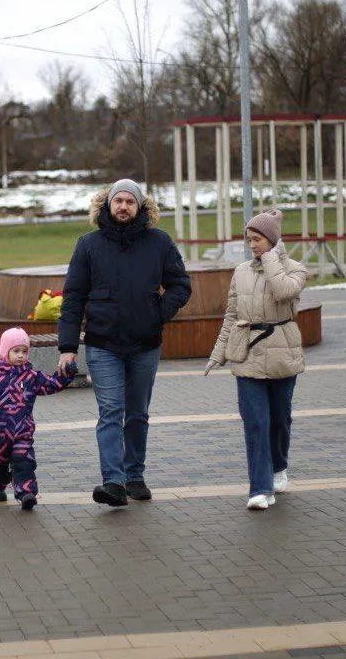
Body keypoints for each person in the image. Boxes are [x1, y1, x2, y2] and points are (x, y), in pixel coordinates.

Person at [57, 179, 192, 507]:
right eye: (118, 201)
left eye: (130, 202)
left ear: (140, 207)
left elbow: (180, 284)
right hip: (103, 345)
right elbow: (73, 297)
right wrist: (68, 346)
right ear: (107, 204)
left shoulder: (159, 242)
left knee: (137, 414)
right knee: (111, 412)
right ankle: (114, 482)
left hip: (145, 344)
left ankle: (135, 477)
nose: (123, 207)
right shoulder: (88, 245)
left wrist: (157, 314)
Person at [205, 209, 308, 510]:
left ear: (273, 240)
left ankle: (278, 468)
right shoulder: (241, 272)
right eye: (249, 239)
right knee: (255, 422)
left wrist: (271, 258)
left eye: (258, 239)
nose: (252, 245)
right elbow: (231, 316)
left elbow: (283, 291)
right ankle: (260, 489)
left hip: (282, 352)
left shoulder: (296, 269)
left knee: (279, 420)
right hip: (247, 352)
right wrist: (218, 353)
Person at [0, 327, 78, 511]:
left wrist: (66, 374)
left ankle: (26, 492)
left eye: (24, 351)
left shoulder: (31, 376)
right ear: (5, 351)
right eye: (16, 351)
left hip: (22, 430)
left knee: (24, 460)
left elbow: (51, 385)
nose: (21, 356)